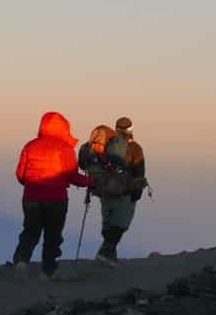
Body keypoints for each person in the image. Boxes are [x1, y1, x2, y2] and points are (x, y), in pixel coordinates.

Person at [12, 111, 90, 276]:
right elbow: (71, 175)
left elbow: (21, 175)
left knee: (30, 231)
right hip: (56, 199)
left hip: (31, 197)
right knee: (53, 234)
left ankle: (21, 261)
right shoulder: (65, 148)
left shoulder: (30, 146)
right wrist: (90, 182)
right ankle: (47, 270)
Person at [78, 116, 149, 263]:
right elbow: (139, 171)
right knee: (120, 224)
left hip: (103, 191)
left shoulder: (104, 146)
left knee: (109, 223)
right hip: (124, 192)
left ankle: (110, 257)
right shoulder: (134, 148)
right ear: (131, 130)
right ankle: (105, 255)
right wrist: (137, 192)